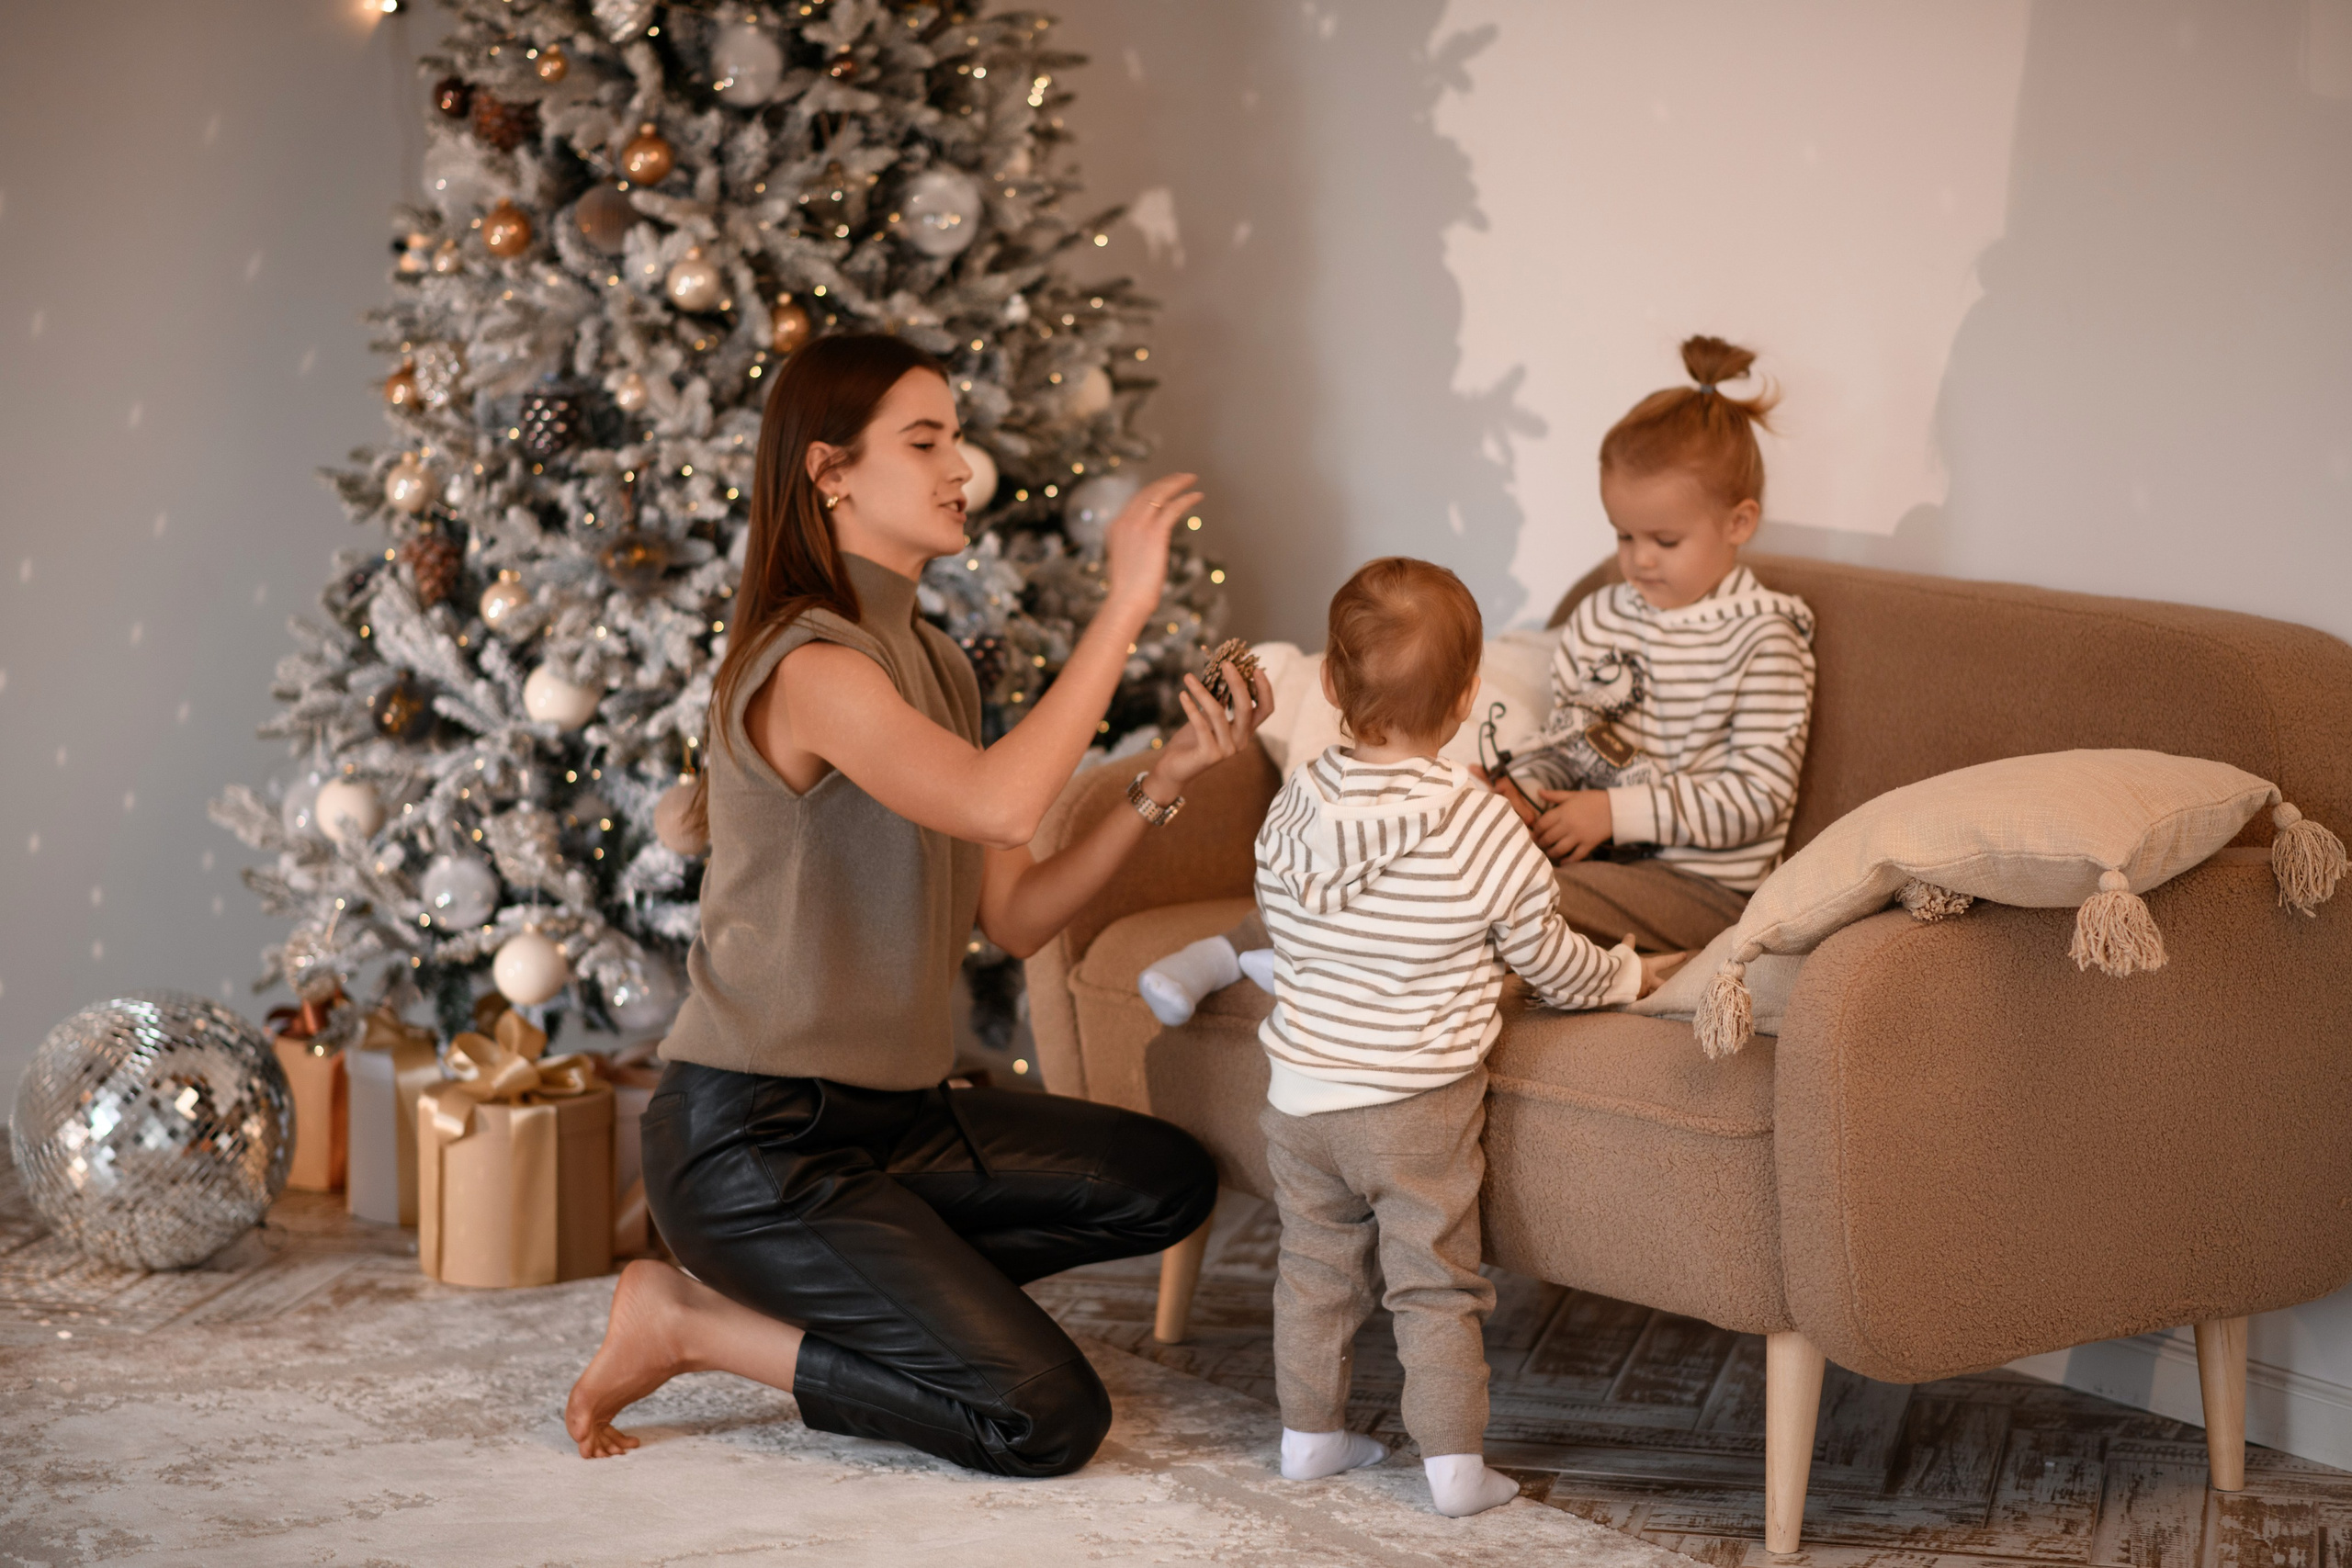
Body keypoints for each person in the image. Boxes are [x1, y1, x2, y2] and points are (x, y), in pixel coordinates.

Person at [562, 333, 1275, 1477]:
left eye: (958, 437)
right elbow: (1001, 807)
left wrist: (1167, 781)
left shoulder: (937, 661)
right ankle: (693, 1322)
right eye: (926, 440)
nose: (962, 467)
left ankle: (900, 1296)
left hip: (892, 1127)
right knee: (1041, 1419)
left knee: (1164, 1181)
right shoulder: (811, 667)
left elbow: (1021, 914)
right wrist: (1123, 606)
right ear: (830, 472)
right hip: (753, 1143)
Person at [1244, 558, 1679, 1517]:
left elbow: (1276, 912)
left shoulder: (1299, 798)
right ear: (1468, 697)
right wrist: (1626, 973)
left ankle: (1308, 1440)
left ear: (1329, 687)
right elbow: (1552, 962)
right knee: (1434, 1285)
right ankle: (1453, 1470)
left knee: (1313, 1272)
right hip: (1412, 1105)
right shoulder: (1479, 825)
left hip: (1301, 1097)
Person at [1492, 334, 1817, 953]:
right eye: (1623, 535)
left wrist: (1616, 814)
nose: (1638, 560)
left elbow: (1755, 799)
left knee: (1510, 896)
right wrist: (1526, 790)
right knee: (1448, 852)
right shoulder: (1601, 617)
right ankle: (1271, 955)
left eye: (1665, 541)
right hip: (1606, 859)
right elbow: (1572, 741)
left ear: (1738, 523)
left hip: (1705, 888)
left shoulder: (1764, 639)